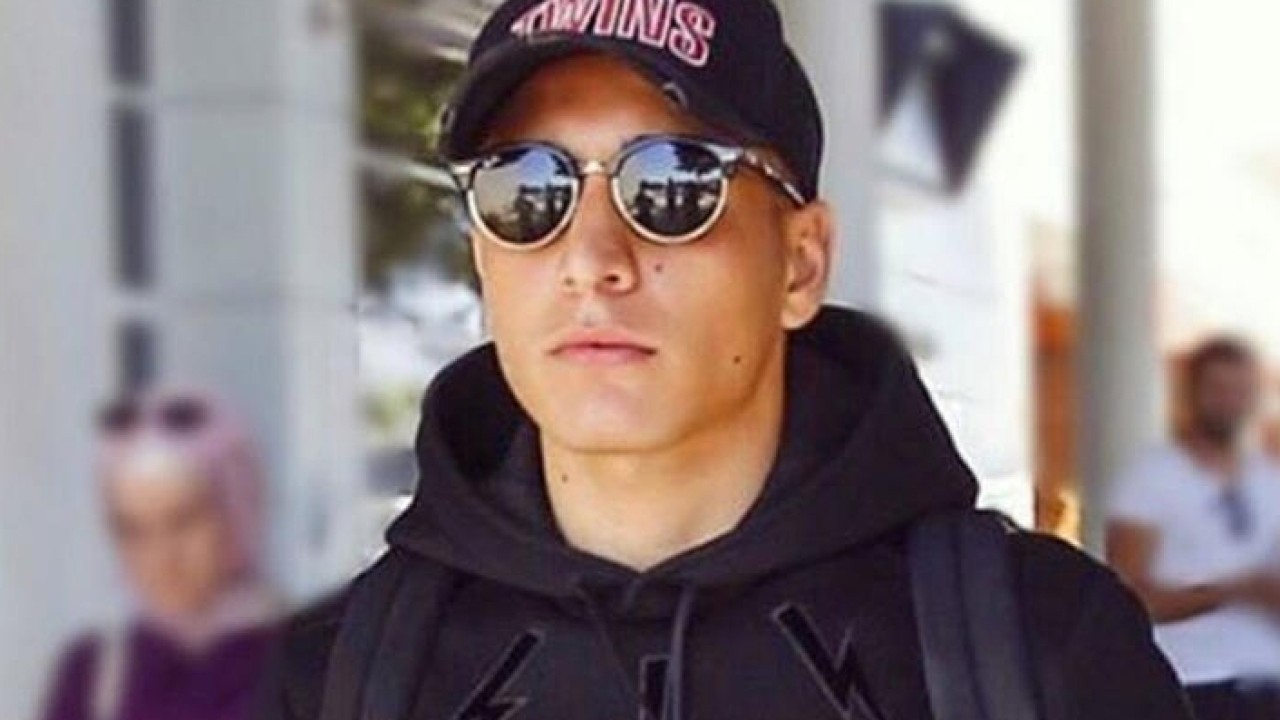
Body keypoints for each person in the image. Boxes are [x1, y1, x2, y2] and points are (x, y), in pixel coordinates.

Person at [260, 1, 1192, 718]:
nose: (591, 260)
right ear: (481, 259)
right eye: (526, 189)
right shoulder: (329, 678)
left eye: (673, 184)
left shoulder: (1039, 644)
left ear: (801, 263)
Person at [40, 388, 281, 720]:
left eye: (183, 520)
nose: (161, 556)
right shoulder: (92, 675)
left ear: (233, 514)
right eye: (133, 529)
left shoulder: (300, 659)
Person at [1108, 338, 1280, 719]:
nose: (1230, 401)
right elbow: (1129, 600)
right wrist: (1233, 591)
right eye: (1218, 389)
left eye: (1241, 390)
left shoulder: (1268, 478)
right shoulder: (1152, 479)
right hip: (1191, 683)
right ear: (1192, 393)